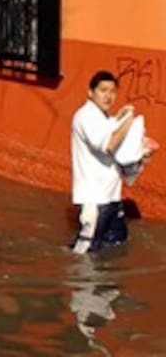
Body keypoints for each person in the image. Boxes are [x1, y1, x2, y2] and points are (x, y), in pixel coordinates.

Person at [70, 70, 140, 254]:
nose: (108, 96)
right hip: (94, 200)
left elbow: (120, 149)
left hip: (112, 198)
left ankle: (106, 283)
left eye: (112, 91)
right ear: (90, 92)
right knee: (86, 253)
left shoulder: (105, 118)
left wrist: (121, 119)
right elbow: (109, 144)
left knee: (116, 244)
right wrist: (128, 121)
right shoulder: (85, 116)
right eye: (103, 90)